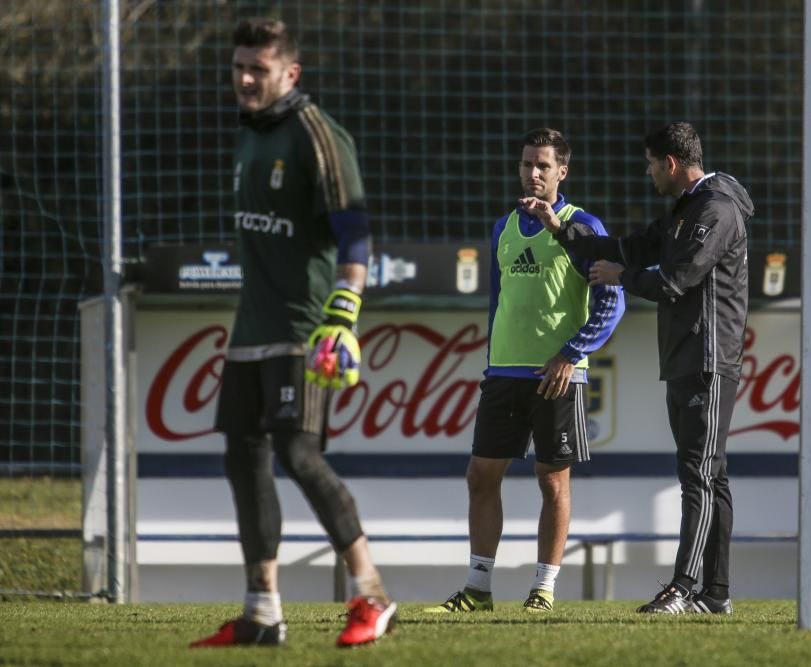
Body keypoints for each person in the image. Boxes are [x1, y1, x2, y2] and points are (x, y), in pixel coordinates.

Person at [190, 18, 396, 648]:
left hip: (305, 329)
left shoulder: (316, 134)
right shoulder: (250, 136)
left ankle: (372, 596)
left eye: (259, 68)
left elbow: (355, 231)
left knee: (299, 454)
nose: (246, 79)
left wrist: (343, 314)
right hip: (251, 329)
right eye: (239, 67)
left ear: (291, 73)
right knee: (242, 458)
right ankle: (263, 612)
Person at [527, 122, 753, 615]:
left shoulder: (715, 210)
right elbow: (623, 249)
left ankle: (685, 587)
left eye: (651, 163)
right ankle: (715, 595)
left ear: (670, 163)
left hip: (709, 361)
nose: (648, 173)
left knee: (699, 474)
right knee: (711, 477)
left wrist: (623, 279)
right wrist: (559, 229)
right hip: (686, 359)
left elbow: (677, 280)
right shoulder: (685, 211)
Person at [425, 128, 624, 614]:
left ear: (562, 172)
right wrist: (494, 360)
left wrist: (571, 352)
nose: (533, 173)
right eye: (526, 164)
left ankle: (544, 588)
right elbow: (499, 303)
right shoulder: (503, 229)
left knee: (552, 480)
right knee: (480, 476)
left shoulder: (584, 227)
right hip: (504, 374)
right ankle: (478, 588)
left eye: (542, 165)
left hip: (558, 374)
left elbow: (611, 303)